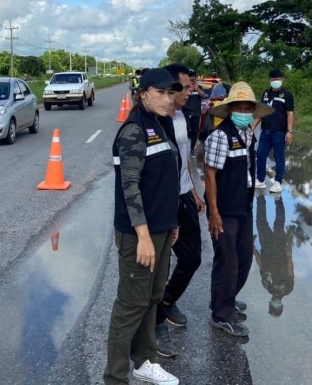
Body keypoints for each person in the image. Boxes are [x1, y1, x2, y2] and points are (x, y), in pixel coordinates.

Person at [104, 68, 183, 385]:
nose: (169, 98)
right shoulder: (134, 130)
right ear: (144, 93)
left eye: (171, 93)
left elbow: (165, 180)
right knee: (130, 304)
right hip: (140, 234)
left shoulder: (160, 124)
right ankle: (115, 376)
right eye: (162, 92)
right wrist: (143, 237)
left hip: (162, 229)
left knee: (152, 297)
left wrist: (172, 222)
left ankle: (144, 361)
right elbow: (130, 187)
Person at [204, 82, 273, 337]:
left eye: (248, 107)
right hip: (224, 208)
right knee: (227, 262)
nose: (243, 111)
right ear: (230, 109)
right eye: (239, 107)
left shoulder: (247, 135)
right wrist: (214, 212)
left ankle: (226, 298)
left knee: (244, 258)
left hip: (243, 204)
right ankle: (221, 314)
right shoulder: (220, 137)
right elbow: (210, 175)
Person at [153, 64, 206, 358]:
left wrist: (195, 192)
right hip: (163, 203)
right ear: (170, 89)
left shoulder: (184, 117)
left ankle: (167, 302)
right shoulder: (155, 123)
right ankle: (156, 323)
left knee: (192, 258)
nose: (191, 92)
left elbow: (185, 158)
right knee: (159, 267)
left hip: (185, 195)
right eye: (186, 87)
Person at [254, 68, 295, 193]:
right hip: (265, 131)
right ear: (269, 80)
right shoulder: (266, 93)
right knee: (260, 155)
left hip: (279, 132)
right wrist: (252, 127)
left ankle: (278, 182)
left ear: (282, 80)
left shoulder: (287, 95)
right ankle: (260, 180)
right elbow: (261, 112)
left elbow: (290, 114)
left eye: (277, 79)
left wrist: (289, 131)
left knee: (279, 157)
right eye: (273, 79)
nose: (275, 81)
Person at [253, 193, 294, 317]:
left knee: (260, 222)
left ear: (269, 303)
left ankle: (260, 198)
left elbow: (261, 266)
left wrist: (253, 249)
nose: (275, 304)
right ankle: (278, 199)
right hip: (279, 250)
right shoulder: (287, 289)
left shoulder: (267, 286)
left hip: (266, 247)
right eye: (277, 307)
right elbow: (290, 272)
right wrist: (288, 255)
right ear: (281, 305)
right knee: (279, 223)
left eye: (272, 306)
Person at [183, 69, 206, 155]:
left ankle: (192, 149)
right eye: (190, 80)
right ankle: (184, 147)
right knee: (185, 130)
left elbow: (203, 95)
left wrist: (197, 89)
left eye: (193, 80)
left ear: (195, 78)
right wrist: (188, 89)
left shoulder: (199, 87)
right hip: (185, 112)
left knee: (195, 132)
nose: (192, 81)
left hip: (196, 113)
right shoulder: (185, 88)